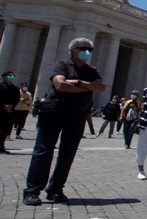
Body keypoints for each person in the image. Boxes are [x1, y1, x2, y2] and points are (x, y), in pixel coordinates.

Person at [22, 38, 106, 205]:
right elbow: (60, 85)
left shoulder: (91, 70)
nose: (87, 52)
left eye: (90, 49)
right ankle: (32, 191)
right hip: (54, 113)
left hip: (77, 115)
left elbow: (101, 87)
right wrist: (87, 86)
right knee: (43, 152)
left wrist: (78, 82)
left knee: (67, 155)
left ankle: (55, 190)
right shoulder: (62, 64)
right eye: (83, 48)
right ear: (73, 50)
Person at [1, 71, 21, 153]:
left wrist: (11, 106)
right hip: (1, 110)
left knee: (5, 129)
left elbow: (17, 99)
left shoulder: (15, 88)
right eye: (10, 76)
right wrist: (4, 105)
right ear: (4, 77)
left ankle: (1, 146)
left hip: (10, 111)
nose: (12, 77)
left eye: (13, 76)